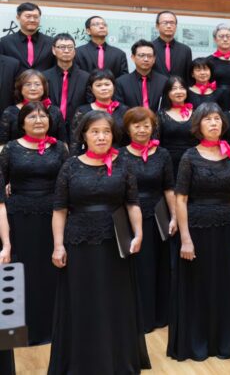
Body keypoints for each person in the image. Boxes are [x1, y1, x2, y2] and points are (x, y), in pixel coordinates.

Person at [48, 110, 150, 374]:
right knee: (82, 300)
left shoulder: (123, 164)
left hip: (115, 242)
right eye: (95, 132)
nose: (101, 137)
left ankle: (117, 360)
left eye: (106, 131)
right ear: (84, 136)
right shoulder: (70, 166)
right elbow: (59, 209)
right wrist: (58, 245)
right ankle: (83, 362)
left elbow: (132, 203)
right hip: (79, 242)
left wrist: (138, 233)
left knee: (115, 300)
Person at [168, 102, 230, 361]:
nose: (214, 123)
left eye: (217, 119)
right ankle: (197, 342)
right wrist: (185, 238)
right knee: (198, 286)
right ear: (198, 125)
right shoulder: (189, 157)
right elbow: (181, 199)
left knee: (226, 284)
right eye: (208, 119)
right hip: (197, 229)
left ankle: (225, 341)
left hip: (227, 229)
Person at [0, 102, 55, 345]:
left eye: (43, 116)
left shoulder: (59, 148)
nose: (39, 120)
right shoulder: (11, 149)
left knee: (50, 272)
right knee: (23, 272)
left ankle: (53, 329)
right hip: (20, 217)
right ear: (22, 123)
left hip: (52, 218)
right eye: (32, 116)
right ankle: (21, 332)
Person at [122, 107, 176, 333]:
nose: (142, 130)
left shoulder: (162, 154)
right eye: (137, 126)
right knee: (139, 268)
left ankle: (161, 316)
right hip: (130, 216)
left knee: (161, 266)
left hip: (159, 214)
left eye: (147, 126)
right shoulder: (119, 155)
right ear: (128, 129)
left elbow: (169, 188)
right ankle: (139, 318)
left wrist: (174, 216)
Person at [43, 33, 90, 141]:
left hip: (78, 130)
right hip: (50, 128)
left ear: (74, 51)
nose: (66, 50)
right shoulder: (44, 76)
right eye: (62, 47)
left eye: (70, 47)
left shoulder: (86, 77)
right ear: (54, 50)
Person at [70, 70, 129, 154]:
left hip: (119, 157)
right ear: (91, 89)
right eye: (98, 85)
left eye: (107, 84)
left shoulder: (124, 110)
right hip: (91, 158)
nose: (104, 88)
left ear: (114, 86)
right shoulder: (83, 111)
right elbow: (75, 141)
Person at [0, 70, 65, 145]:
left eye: (37, 84)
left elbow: (63, 141)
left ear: (44, 87)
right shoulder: (10, 112)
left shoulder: (55, 111)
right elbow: (2, 144)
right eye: (28, 84)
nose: (33, 88)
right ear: (20, 88)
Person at [157, 76, 198, 174]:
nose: (179, 92)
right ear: (167, 93)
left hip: (193, 161)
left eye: (182, 88)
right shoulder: (160, 115)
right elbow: (157, 142)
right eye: (174, 89)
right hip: (169, 163)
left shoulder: (196, 113)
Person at [115, 40, 168, 112]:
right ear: (133, 57)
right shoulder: (121, 82)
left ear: (154, 59)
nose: (146, 59)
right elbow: (119, 109)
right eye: (141, 55)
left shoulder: (164, 81)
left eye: (149, 56)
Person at [0, 2, 54, 71]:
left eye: (36, 17)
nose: (32, 20)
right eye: (28, 16)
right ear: (18, 18)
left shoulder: (50, 42)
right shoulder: (5, 42)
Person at [207, 24, 230, 109]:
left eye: (228, 36)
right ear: (215, 39)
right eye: (221, 36)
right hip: (215, 100)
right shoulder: (208, 61)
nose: (225, 39)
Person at [152, 11, 193, 83]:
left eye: (172, 23)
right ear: (157, 26)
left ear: (176, 26)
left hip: (178, 89)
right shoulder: (149, 48)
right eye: (165, 23)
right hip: (155, 89)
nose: (169, 26)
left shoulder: (185, 50)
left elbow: (188, 77)